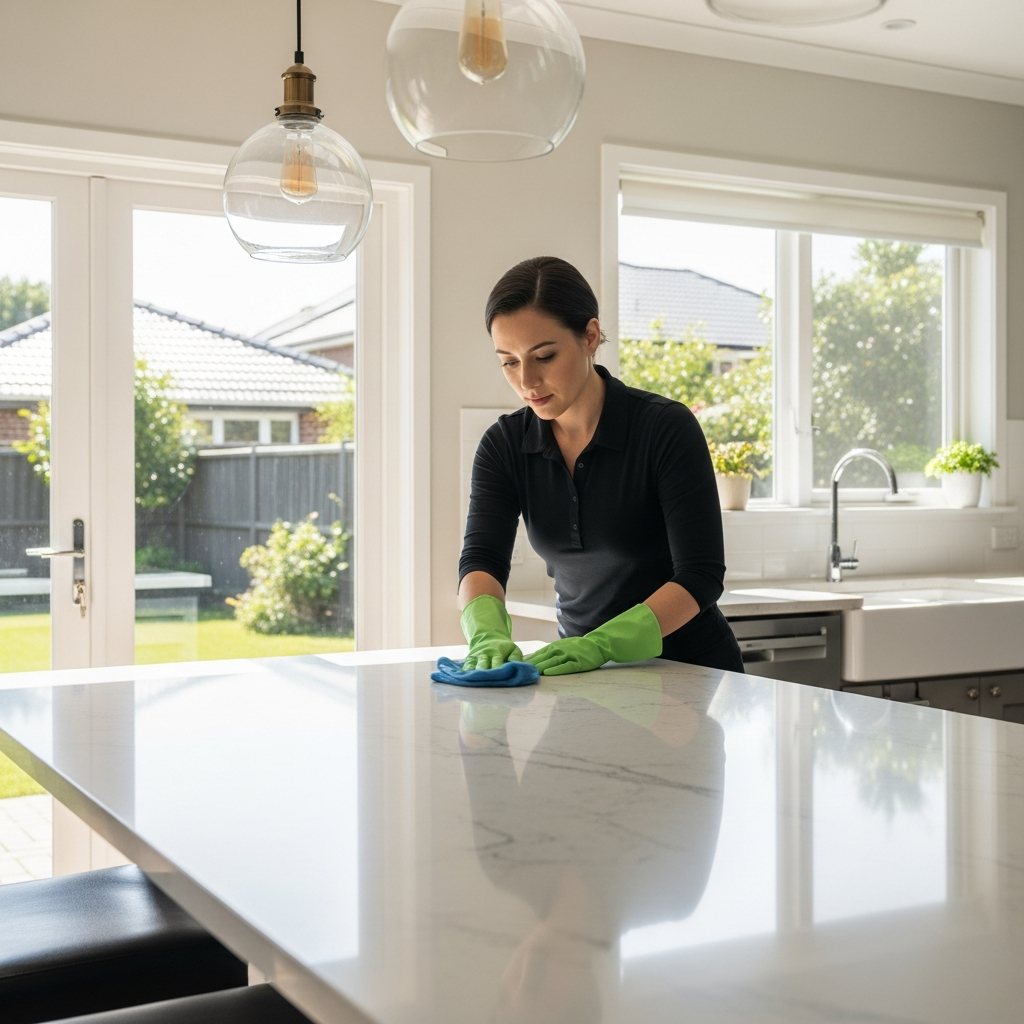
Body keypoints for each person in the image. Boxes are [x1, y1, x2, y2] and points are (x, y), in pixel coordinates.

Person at [458, 256, 744, 675]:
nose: (527, 381)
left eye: (545, 356)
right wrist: (486, 632)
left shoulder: (664, 429)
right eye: (509, 361)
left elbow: (701, 575)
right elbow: (482, 557)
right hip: (583, 676)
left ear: (590, 336)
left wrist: (602, 644)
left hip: (686, 673)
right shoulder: (505, 446)